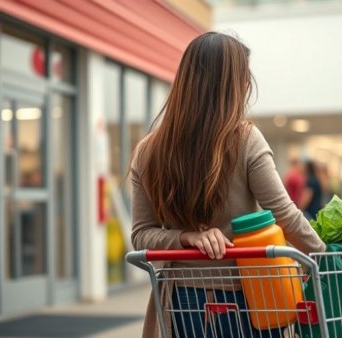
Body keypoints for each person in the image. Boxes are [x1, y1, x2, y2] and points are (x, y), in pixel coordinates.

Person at [130, 32, 325, 338]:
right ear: (228, 85)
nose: (247, 85)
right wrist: (328, 258)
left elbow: (141, 235)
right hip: (250, 297)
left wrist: (185, 238)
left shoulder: (148, 150)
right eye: (243, 78)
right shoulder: (245, 139)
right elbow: (285, 215)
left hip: (183, 301)